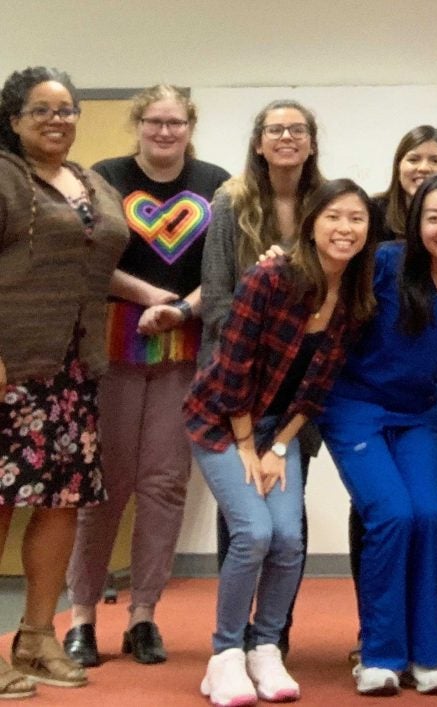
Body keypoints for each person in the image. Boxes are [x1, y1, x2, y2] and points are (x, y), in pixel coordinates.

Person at [185, 178, 376, 706]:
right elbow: (233, 367)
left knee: (289, 539)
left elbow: (318, 386)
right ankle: (224, 656)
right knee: (254, 532)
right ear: (312, 223)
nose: (345, 228)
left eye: (357, 218)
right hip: (223, 420)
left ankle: (264, 647)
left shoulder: (355, 294)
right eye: (334, 216)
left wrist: (278, 446)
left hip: (279, 430)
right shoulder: (269, 277)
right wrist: (248, 446)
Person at [63, 84, 230, 668]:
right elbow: (88, 255)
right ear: (138, 124)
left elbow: (226, 267)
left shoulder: (218, 182)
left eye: (176, 122)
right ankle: (81, 618)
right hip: (112, 345)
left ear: (190, 126)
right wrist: (148, 294)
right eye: (155, 121)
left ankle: (143, 617)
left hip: (185, 346)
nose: (165, 132)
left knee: (163, 483)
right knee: (102, 486)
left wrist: (182, 307)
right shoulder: (102, 176)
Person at [319, 171, 437, 697]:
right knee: (391, 514)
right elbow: (317, 281)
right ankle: (379, 654)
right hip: (355, 407)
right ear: (415, 225)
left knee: (429, 515)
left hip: (418, 415)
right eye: (433, 218)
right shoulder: (385, 263)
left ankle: (428, 656)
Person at [0, 66, 128, 695]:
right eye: (42, 110)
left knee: (60, 503)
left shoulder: (91, 182)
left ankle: (35, 636)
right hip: (10, 368)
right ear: (15, 118)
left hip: (74, 370)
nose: (58, 119)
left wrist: (157, 296)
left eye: (68, 109)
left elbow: (98, 263)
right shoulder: (1, 175)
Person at [199, 99, 325, 656]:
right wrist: (265, 291)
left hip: (300, 387)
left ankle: (273, 636)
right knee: (245, 518)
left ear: (312, 142)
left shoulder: (327, 205)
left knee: (287, 517)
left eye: (297, 130)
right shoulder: (231, 203)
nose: (287, 137)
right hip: (238, 380)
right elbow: (218, 300)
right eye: (275, 129)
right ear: (258, 142)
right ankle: (233, 639)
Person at [373, 125, 437, 241]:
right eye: (413, 160)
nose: (424, 168)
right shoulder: (373, 212)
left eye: (436, 161)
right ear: (398, 166)